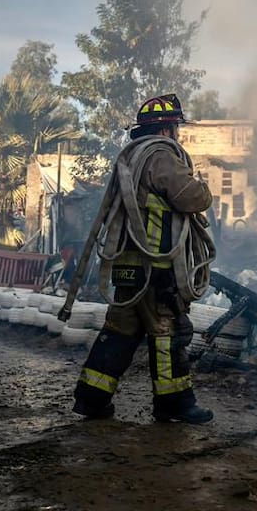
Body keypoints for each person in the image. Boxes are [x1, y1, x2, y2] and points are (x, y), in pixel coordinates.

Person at [72, 93, 216, 424]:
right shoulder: (161, 156)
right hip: (157, 267)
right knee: (168, 330)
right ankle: (175, 404)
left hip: (127, 263)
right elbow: (191, 198)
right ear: (166, 130)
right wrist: (203, 187)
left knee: (120, 329)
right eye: (175, 129)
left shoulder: (131, 158)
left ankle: (91, 398)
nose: (177, 135)